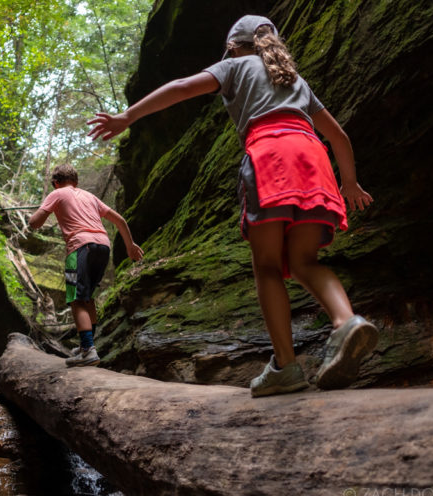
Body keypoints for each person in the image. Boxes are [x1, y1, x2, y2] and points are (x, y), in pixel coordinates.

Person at [87, 15, 377, 396]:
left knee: (269, 266)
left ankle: (286, 367)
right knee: (306, 262)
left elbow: (180, 87)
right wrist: (350, 183)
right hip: (313, 158)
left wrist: (130, 116)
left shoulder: (235, 65)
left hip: (270, 156)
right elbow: (338, 136)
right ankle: (346, 322)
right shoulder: (295, 79)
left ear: (234, 47)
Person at [29, 163, 144, 367]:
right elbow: (119, 220)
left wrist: (37, 214)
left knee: (77, 300)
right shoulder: (89, 197)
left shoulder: (57, 193)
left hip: (80, 248)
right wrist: (130, 245)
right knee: (88, 298)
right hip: (102, 246)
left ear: (56, 183)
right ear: (76, 181)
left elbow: (35, 223)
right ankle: (86, 346)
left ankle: (88, 351)